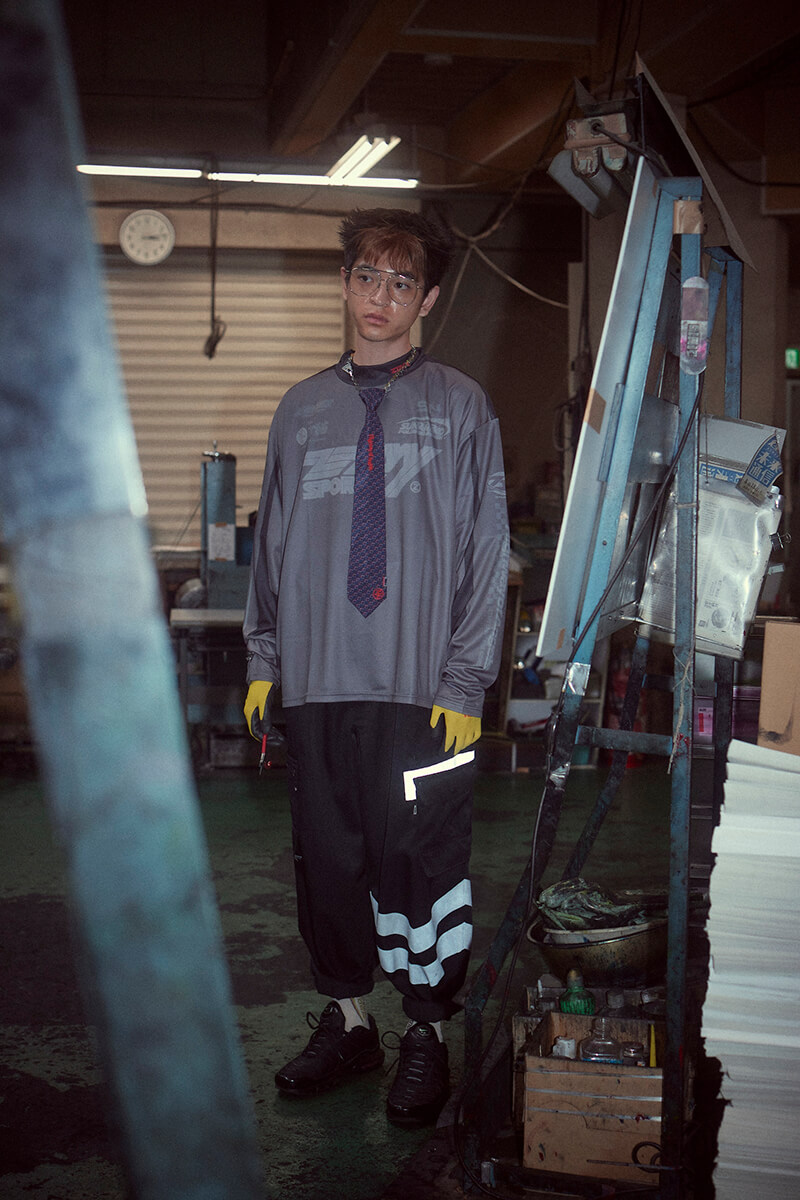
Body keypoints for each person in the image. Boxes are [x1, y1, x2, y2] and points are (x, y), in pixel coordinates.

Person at [243, 207, 509, 1128]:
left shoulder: (462, 407)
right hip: (319, 681)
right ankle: (351, 1021)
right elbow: (273, 543)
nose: (379, 298)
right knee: (328, 859)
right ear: (345, 283)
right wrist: (266, 659)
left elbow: (486, 549)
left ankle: (426, 1030)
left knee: (419, 861)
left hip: (421, 687)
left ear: (427, 299)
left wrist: (467, 680)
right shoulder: (300, 410)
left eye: (401, 282)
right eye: (366, 276)